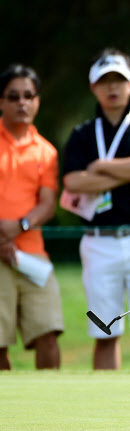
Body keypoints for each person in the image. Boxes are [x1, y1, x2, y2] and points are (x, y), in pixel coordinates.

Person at [61, 49, 130, 370]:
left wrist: (100, 167)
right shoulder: (82, 133)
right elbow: (73, 182)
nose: (113, 88)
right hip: (99, 241)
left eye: (119, 80)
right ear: (93, 87)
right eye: (105, 81)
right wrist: (125, 170)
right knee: (104, 331)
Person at [0, 64, 64, 370]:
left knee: (49, 333)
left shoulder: (46, 151)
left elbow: (47, 204)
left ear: (37, 101)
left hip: (32, 256)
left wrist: (20, 226)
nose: (22, 102)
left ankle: (50, 412)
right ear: (1, 102)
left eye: (29, 95)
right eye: (13, 96)